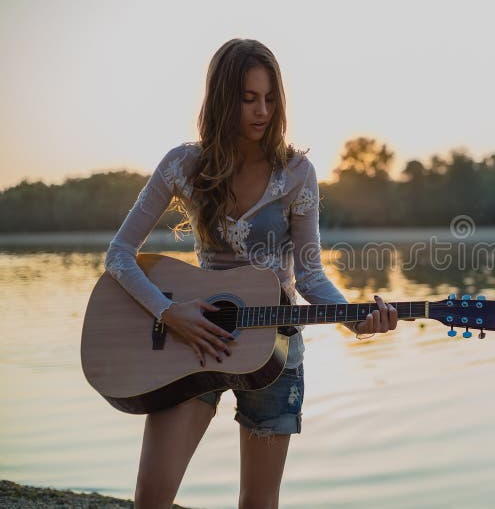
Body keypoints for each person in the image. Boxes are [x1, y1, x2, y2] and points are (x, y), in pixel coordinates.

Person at [104, 38, 399, 509]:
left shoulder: (296, 173)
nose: (262, 111)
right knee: (151, 499)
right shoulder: (184, 164)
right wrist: (168, 312)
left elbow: (309, 277)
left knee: (257, 504)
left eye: (269, 98)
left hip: (275, 351)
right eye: (248, 99)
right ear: (223, 99)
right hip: (193, 341)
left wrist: (353, 317)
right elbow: (119, 254)